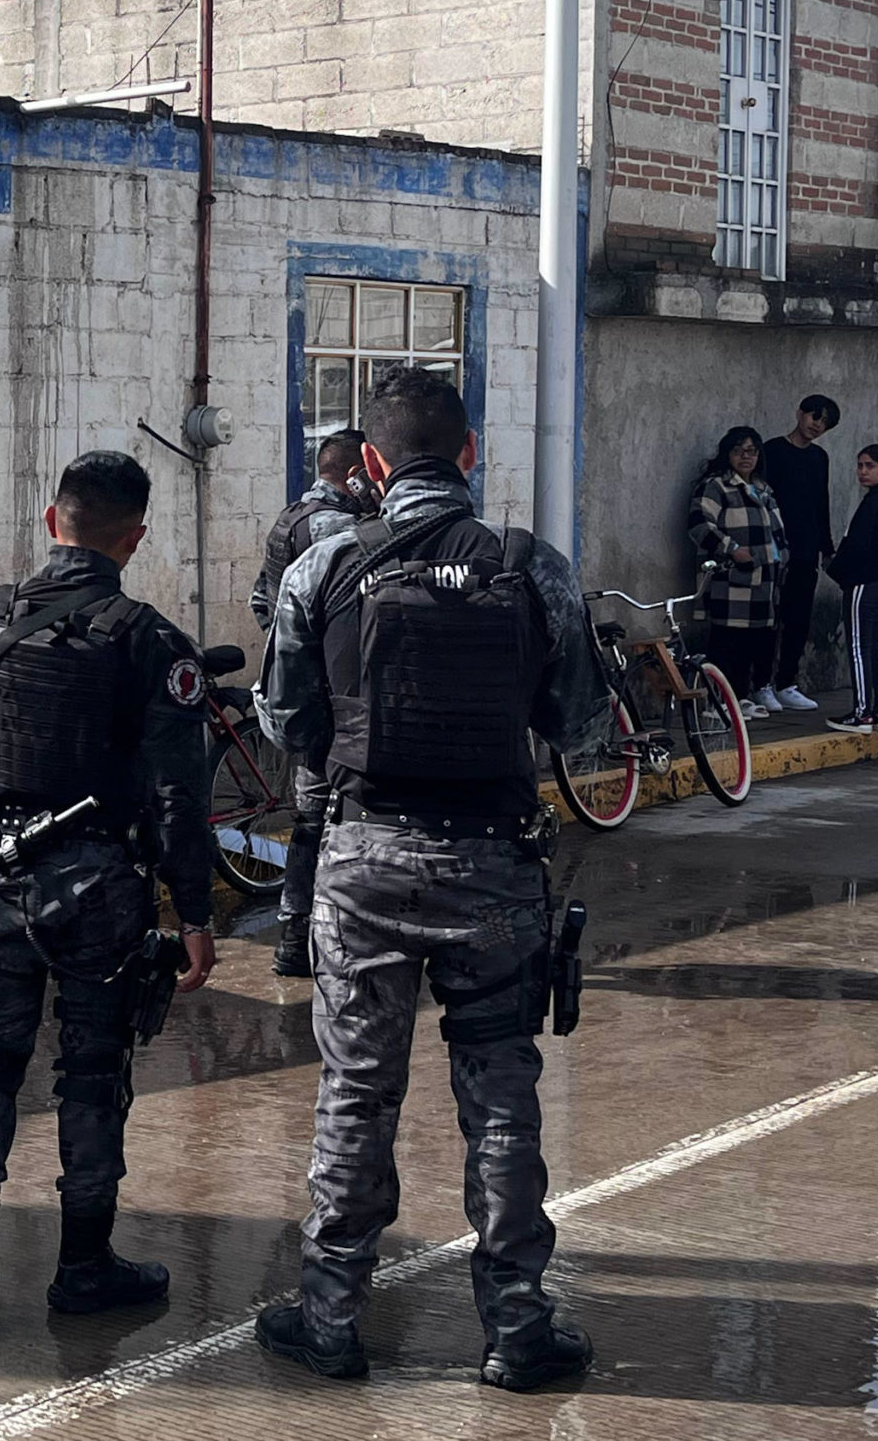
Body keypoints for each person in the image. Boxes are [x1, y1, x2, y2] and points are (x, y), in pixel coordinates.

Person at [252, 365, 608, 1394]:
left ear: (369, 463)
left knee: (356, 1092)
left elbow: (285, 724)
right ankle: (516, 1329)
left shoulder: (321, 569)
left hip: (364, 860)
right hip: (492, 862)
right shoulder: (530, 566)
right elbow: (578, 725)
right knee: (499, 1097)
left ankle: (328, 1318)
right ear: (470, 454)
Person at [0, 450, 218, 1332]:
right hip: (101, 889)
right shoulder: (147, 640)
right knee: (92, 1072)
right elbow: (182, 792)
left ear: (49, 520)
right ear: (135, 537)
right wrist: (197, 910)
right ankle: (81, 1267)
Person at [249, 430, 373, 979]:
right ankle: (333, 938)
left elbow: (264, 602)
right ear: (355, 474)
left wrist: (290, 660)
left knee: (308, 815)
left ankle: (292, 936)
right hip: (339, 700)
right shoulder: (343, 530)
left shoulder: (288, 519)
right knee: (335, 815)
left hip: (298, 693)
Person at [687, 427, 789, 718]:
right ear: (727, 454)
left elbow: (777, 531)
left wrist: (783, 558)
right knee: (726, 640)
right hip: (730, 578)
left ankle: (740, 696)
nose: (746, 457)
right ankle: (717, 701)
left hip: (764, 581)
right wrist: (731, 549)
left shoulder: (763, 489)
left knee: (752, 642)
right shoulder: (716, 486)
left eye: (752, 451)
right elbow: (698, 525)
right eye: (739, 451)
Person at [824, 445, 878, 735]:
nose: (862, 471)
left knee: (860, 649)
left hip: (866, 583)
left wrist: (835, 570)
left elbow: (857, 547)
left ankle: (862, 713)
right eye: (860, 465)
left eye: (870, 466)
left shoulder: (875, 503)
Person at [759, 395, 839, 711]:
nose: (816, 425)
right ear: (800, 414)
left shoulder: (819, 458)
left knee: (798, 620)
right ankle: (761, 684)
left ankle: (786, 682)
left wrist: (826, 547)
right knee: (769, 620)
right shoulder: (773, 451)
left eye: (824, 422)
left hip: (807, 550)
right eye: (814, 417)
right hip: (775, 550)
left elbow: (822, 504)